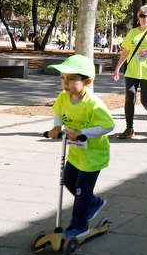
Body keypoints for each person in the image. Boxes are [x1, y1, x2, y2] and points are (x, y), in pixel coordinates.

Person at [46, 55, 114, 237]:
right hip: (76, 153)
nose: (65, 83)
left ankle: (79, 225)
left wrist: (84, 132)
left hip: (93, 156)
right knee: (68, 182)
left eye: (71, 79)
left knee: (81, 191)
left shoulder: (94, 104)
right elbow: (59, 112)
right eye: (62, 78)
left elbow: (109, 125)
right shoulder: (63, 97)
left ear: (87, 81)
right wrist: (56, 127)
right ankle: (93, 203)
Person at [113, 4, 147, 139]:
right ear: (138, 17)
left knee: (146, 100)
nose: (145, 19)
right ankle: (129, 129)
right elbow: (125, 51)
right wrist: (117, 68)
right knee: (129, 98)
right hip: (132, 71)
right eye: (142, 16)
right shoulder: (132, 33)